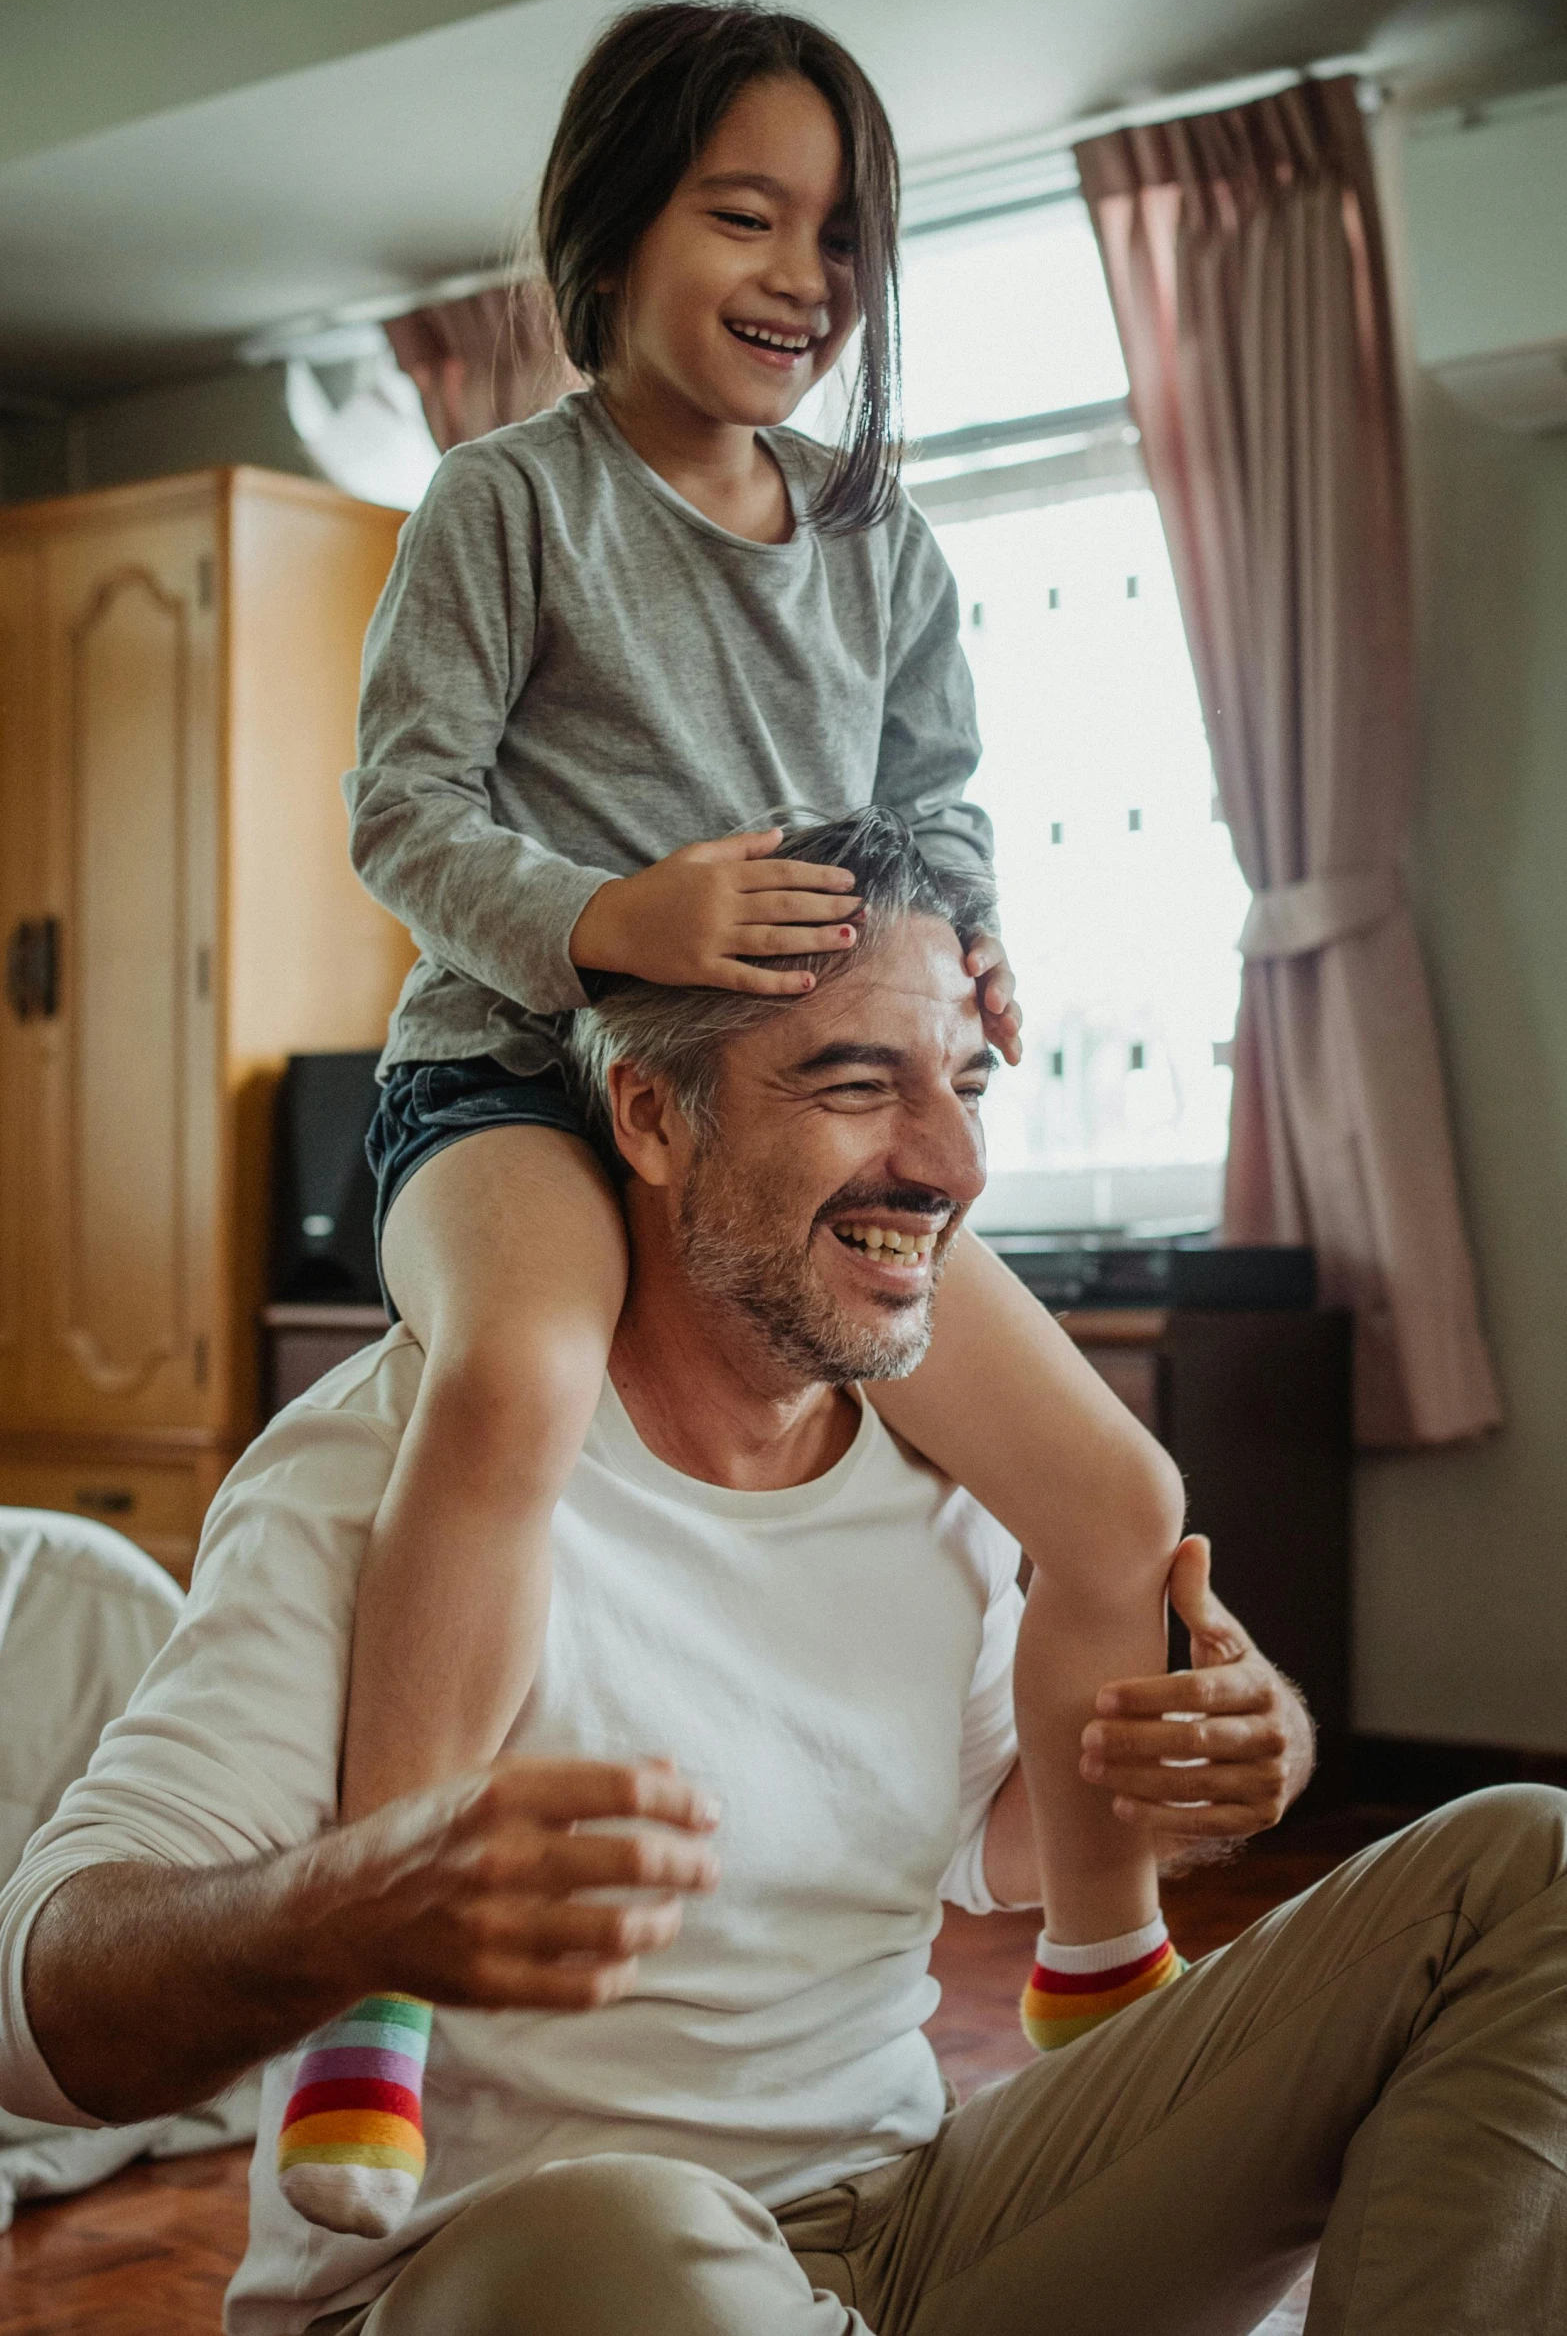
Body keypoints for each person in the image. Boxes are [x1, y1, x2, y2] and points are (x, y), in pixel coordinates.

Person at [6, 812, 1567, 2336]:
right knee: (629, 2226)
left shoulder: (940, 1482)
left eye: (962, 1085)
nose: (951, 1165)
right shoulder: (384, 1469)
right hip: (518, 2266)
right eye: (853, 1085)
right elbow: (37, 2015)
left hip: (906, 2233)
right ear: (651, 1119)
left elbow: (996, 1839)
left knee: (1527, 1868)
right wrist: (345, 1911)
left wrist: (1216, 1757)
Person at [324, 0, 1185, 2235]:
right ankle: (375, 1983)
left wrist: (971, 940)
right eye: (747, 213)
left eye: (842, 234)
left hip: (791, 1117)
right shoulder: (504, 501)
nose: (806, 272)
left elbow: (942, 806)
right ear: (613, 228)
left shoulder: (879, 538)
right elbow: (402, 809)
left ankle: (1100, 1970)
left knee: (1118, 1488)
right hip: (514, 1068)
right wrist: (616, 911)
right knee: (512, 1371)